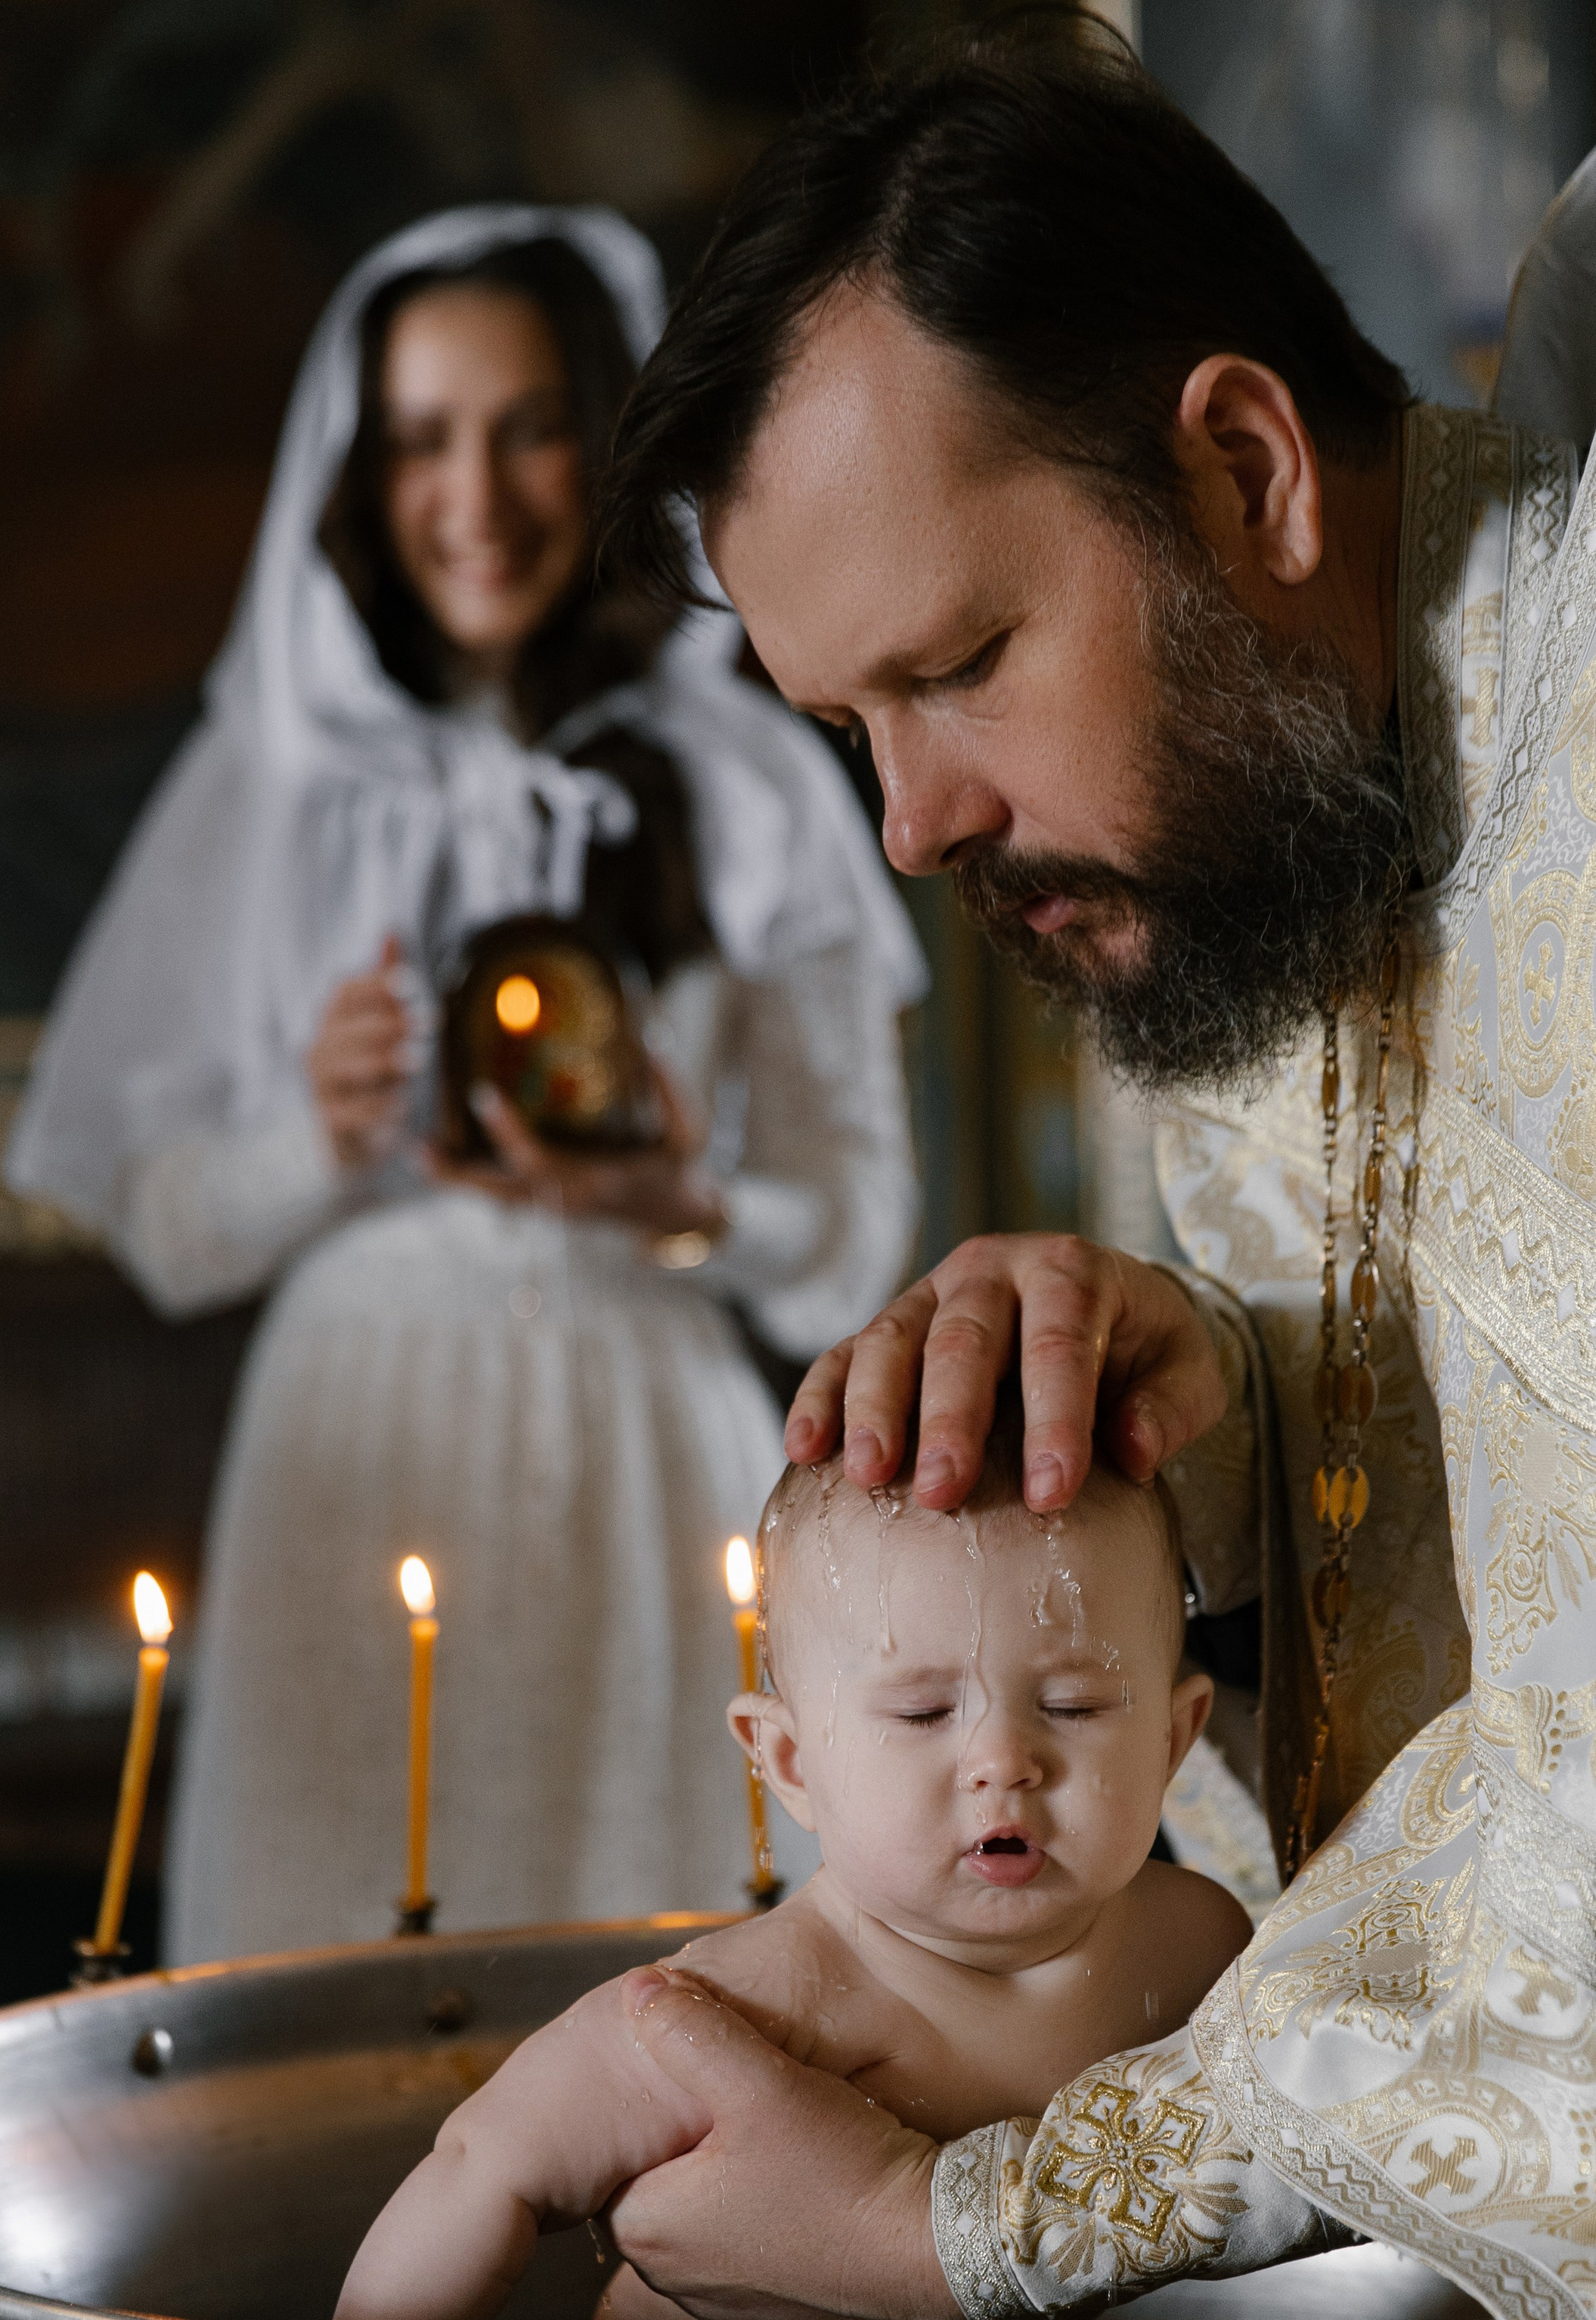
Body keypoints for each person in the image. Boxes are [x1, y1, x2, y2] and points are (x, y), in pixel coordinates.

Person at [561, 31, 1596, 2320]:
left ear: (1239, 469)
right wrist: (1193, 1388)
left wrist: (960, 2224)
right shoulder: (1287, 830)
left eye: (950, 665)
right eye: (844, 720)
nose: (912, 814)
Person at [7, 204, 922, 1955]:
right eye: (421, 439)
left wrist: (683, 1201)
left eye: (525, 428)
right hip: (352, 1451)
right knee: (347, 1968)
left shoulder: (743, 780)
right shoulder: (271, 788)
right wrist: (314, 1132)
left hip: (650, 1451)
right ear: (359, 473)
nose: (473, 493)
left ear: (609, 435)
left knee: (681, 1960)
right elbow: (167, 1229)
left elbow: (855, 1238)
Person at [329, 1402, 1246, 2320]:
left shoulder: (1197, 1946)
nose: (1002, 1760)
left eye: (1074, 1704)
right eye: (925, 1712)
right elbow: (485, 2165)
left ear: (1174, 1740)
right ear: (791, 1762)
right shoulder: (749, 2008)